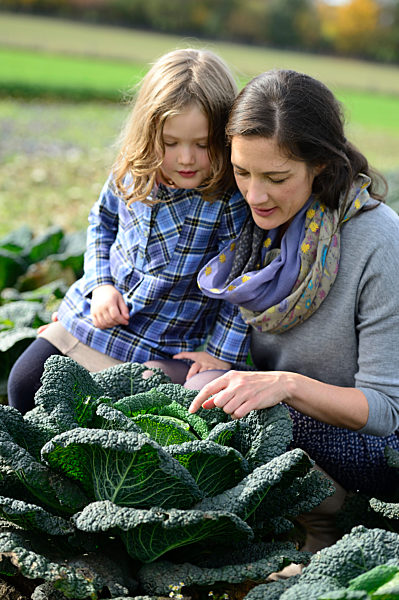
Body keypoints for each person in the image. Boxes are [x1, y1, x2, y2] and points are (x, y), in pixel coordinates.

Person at [181, 68, 399, 554]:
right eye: (242, 172)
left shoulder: (379, 242)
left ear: (320, 163)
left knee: (232, 407)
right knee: (178, 383)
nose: (255, 195)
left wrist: (286, 385)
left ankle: (328, 525)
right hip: (294, 418)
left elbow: (385, 412)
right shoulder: (251, 228)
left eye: (276, 178)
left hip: (376, 447)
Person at [7, 48, 250, 415]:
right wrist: (100, 285)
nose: (186, 158)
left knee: (118, 414)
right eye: (170, 143)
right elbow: (101, 224)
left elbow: (240, 283)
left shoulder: (227, 201)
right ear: (149, 132)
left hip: (167, 344)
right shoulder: (132, 171)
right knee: (24, 383)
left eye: (202, 145)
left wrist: (220, 353)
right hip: (98, 318)